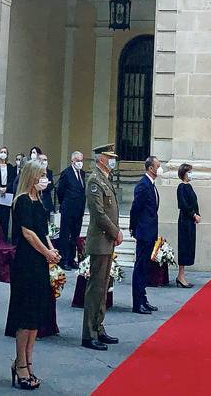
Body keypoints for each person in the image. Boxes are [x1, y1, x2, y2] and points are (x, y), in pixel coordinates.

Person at [5, 158, 59, 390]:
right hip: (26, 262)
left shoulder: (40, 201)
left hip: (39, 261)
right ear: (32, 176)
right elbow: (28, 233)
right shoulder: (22, 202)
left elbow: (42, 231)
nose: (45, 179)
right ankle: (20, 365)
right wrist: (47, 252)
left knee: (36, 316)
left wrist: (52, 249)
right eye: (42, 175)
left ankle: (27, 360)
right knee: (25, 316)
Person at [82, 145, 122, 351]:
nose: (113, 160)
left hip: (107, 240)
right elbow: (98, 213)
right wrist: (115, 232)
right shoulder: (95, 180)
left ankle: (98, 327)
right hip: (100, 240)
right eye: (110, 157)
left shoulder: (105, 179)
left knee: (104, 287)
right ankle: (89, 333)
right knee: (95, 288)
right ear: (101, 159)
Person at [129, 156, 160, 313]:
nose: (159, 169)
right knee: (140, 268)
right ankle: (137, 303)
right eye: (158, 166)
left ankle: (143, 298)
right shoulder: (143, 185)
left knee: (145, 268)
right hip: (143, 232)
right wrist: (132, 227)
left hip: (150, 232)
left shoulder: (151, 184)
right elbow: (136, 208)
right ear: (150, 168)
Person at [56, 151, 88, 270]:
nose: (80, 163)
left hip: (79, 210)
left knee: (75, 235)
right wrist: (63, 203)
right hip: (68, 209)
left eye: (81, 160)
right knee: (65, 235)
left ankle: (71, 259)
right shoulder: (66, 173)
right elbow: (60, 191)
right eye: (78, 160)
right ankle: (63, 260)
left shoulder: (82, 174)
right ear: (72, 161)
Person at [174, 163, 199, 287]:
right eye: (189, 172)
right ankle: (180, 275)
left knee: (189, 246)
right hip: (185, 220)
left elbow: (194, 202)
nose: (191, 174)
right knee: (184, 246)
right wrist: (194, 214)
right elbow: (183, 205)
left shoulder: (189, 186)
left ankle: (182, 275)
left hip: (190, 220)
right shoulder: (181, 187)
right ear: (184, 173)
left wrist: (197, 214)